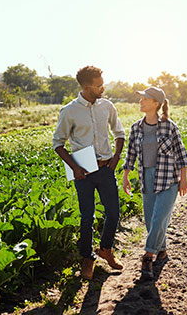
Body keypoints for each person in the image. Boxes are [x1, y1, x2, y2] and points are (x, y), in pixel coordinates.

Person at [53, 65, 126, 280]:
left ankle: (106, 249)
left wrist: (116, 158)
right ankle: (87, 258)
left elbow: (119, 133)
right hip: (83, 173)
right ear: (86, 87)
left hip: (106, 169)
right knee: (87, 217)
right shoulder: (69, 111)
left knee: (113, 213)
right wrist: (75, 167)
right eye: (99, 85)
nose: (103, 88)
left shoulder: (107, 106)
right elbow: (58, 143)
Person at [122, 86, 187, 280]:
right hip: (147, 178)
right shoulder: (136, 127)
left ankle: (148, 257)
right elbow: (131, 155)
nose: (140, 102)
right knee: (150, 220)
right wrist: (126, 176)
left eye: (144, 99)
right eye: (140, 99)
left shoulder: (169, 126)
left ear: (156, 104)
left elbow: (181, 154)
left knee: (159, 218)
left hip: (168, 179)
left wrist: (183, 179)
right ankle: (162, 250)